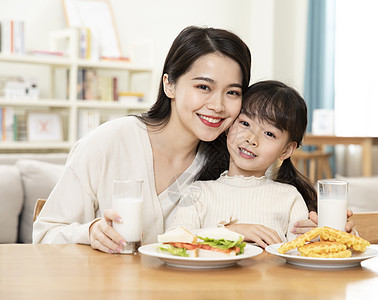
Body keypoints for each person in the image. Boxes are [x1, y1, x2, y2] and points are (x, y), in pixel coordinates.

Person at [33, 25, 252, 254]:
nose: (217, 105)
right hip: (110, 288)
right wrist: (89, 233)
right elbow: (43, 235)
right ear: (169, 85)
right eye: (203, 87)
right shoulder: (108, 142)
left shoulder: (232, 163)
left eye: (232, 92)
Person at [168, 80, 325, 247]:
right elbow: (174, 238)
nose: (251, 139)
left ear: (286, 150)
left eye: (269, 134)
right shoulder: (199, 192)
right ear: (229, 125)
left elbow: (302, 253)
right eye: (245, 123)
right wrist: (231, 232)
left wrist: (328, 234)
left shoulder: (289, 197)